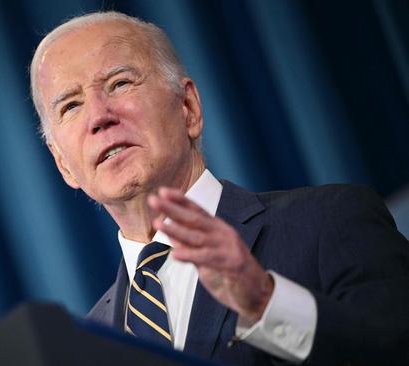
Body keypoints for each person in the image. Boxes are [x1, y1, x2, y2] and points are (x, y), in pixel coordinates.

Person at [29, 11, 409, 365]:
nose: (98, 116)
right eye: (71, 106)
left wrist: (266, 303)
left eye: (120, 83)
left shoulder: (329, 222)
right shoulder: (86, 346)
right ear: (64, 165)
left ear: (189, 108)